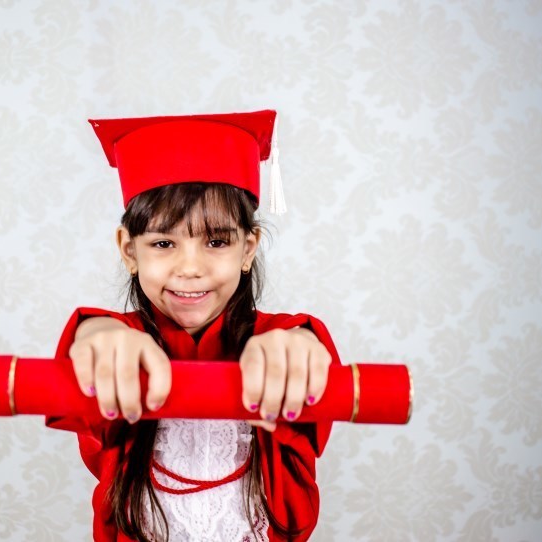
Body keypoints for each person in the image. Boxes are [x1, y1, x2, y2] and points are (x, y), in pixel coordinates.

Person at [47, 110, 340, 541]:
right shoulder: (118, 341)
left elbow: (302, 347)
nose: (190, 267)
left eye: (217, 241)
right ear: (130, 252)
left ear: (248, 249)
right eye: (163, 243)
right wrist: (93, 337)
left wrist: (290, 350)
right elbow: (93, 342)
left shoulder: (286, 334)